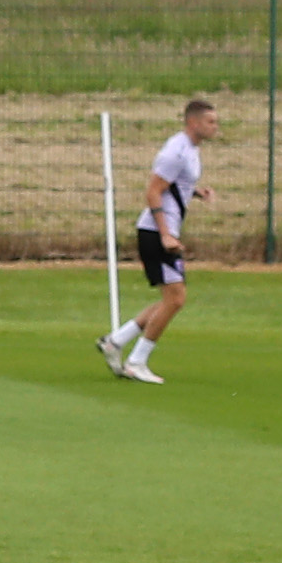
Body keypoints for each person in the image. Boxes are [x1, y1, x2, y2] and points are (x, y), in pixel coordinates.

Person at [97, 97, 222, 384]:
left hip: (163, 232)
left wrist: (196, 192)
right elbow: (153, 191)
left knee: (170, 299)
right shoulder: (176, 152)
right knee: (176, 299)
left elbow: (174, 186)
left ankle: (114, 342)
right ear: (193, 123)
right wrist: (166, 233)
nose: (216, 127)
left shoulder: (190, 150)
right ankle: (136, 361)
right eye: (210, 122)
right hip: (156, 233)